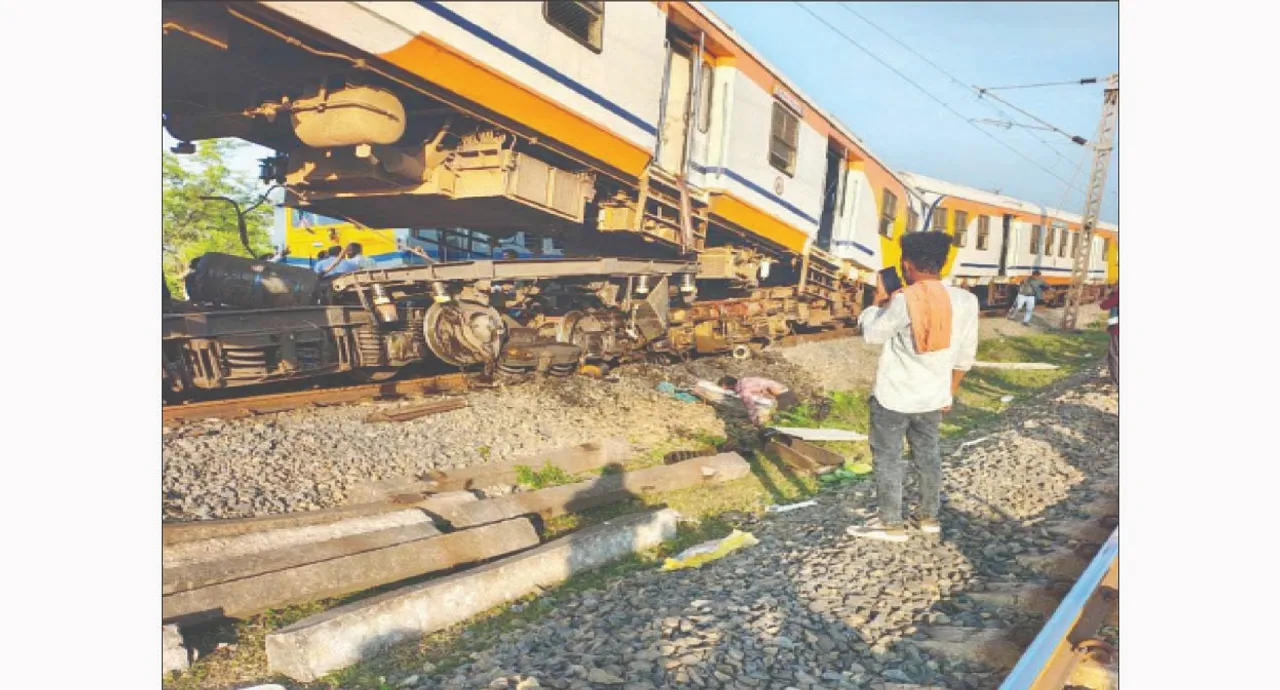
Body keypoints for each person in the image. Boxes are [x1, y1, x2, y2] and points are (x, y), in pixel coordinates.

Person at [847, 231, 979, 542]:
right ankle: (929, 518)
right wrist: (949, 392)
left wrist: (877, 303)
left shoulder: (905, 299)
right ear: (942, 263)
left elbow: (872, 335)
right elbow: (964, 356)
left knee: (889, 457)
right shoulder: (966, 300)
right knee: (928, 456)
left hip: (893, 396)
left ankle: (890, 523)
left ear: (907, 265)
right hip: (934, 397)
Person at [719, 376, 799, 427]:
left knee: (782, 423)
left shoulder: (744, 392)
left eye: (723, 387)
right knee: (796, 417)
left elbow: (751, 408)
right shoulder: (745, 380)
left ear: (726, 386)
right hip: (788, 392)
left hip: (783, 398)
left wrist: (755, 422)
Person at [1100, 284, 1119, 388]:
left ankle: (1117, 382)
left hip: (1117, 329)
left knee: (1114, 354)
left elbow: (1105, 305)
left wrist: (1112, 294)